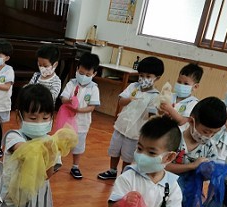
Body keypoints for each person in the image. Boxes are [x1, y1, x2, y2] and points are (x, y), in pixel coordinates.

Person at [153, 96, 227, 207]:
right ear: (192, 121)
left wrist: (210, 172)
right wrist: (192, 166)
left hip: (186, 198)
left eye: (213, 133)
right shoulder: (173, 138)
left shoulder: (209, 147)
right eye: (206, 131)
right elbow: (162, 166)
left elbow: (207, 175)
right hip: (160, 192)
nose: (208, 136)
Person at [97, 56, 164, 180]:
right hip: (121, 126)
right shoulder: (133, 86)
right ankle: (112, 170)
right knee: (114, 150)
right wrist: (130, 99)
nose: (143, 79)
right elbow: (121, 102)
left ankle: (124, 175)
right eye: (141, 75)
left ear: (157, 78)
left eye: (148, 76)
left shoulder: (155, 96)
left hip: (135, 132)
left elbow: (152, 116)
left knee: (128, 156)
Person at [60, 52, 101, 180]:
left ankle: (75, 166)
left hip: (82, 123)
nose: (84, 77)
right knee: (61, 141)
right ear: (77, 69)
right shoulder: (71, 83)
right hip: (67, 121)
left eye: (88, 75)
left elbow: (92, 107)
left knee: (78, 146)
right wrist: (68, 101)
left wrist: (78, 110)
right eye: (81, 73)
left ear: (94, 74)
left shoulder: (94, 88)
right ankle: (56, 161)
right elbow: (63, 98)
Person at [28, 45, 63, 171]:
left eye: (45, 65)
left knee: (42, 136)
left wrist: (37, 95)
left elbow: (52, 97)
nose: (42, 68)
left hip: (44, 116)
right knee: (29, 134)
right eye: (40, 64)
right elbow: (28, 89)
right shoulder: (36, 76)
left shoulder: (56, 81)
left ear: (55, 65)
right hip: (31, 112)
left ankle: (47, 160)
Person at [158, 62, 203, 128]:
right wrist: (161, 111)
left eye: (186, 84)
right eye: (179, 82)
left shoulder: (193, 103)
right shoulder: (170, 96)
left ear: (195, 87)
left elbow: (182, 121)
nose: (181, 85)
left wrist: (170, 109)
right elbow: (159, 113)